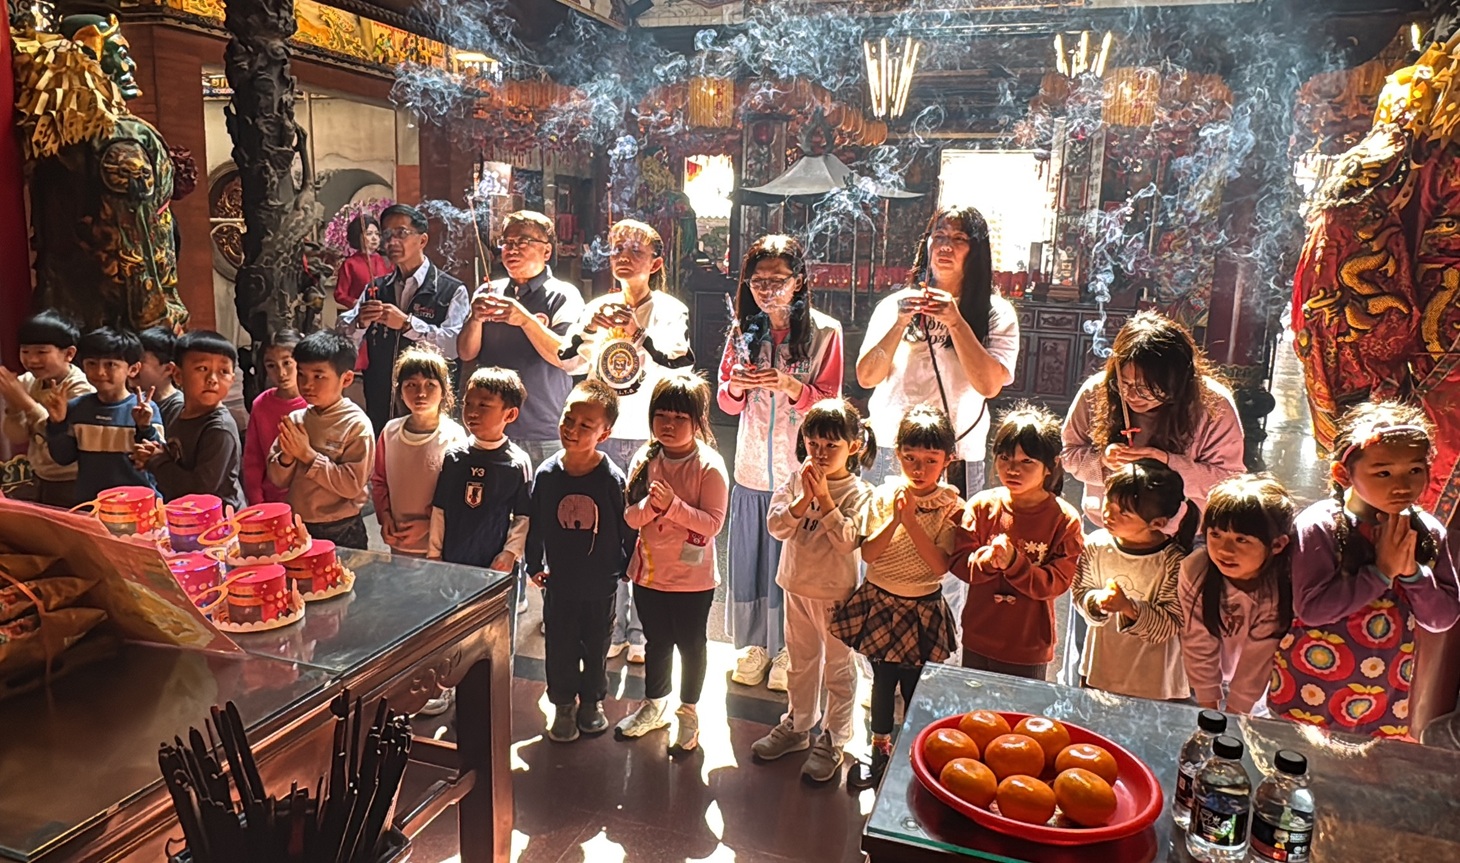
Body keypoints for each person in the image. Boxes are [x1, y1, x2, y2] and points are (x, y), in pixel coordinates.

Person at [855, 205, 1021, 654]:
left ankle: (936, 663)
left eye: (959, 239)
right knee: (880, 552)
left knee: (946, 561)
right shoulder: (895, 305)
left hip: (955, 456)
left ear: (976, 251)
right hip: (890, 450)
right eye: (939, 236)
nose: (946, 246)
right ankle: (878, 666)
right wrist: (900, 322)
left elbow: (989, 384)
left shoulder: (996, 314)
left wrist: (955, 321)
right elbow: (867, 376)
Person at [1059, 310, 1244, 685]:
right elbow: (1068, 455)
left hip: (1182, 538)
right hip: (1111, 537)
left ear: (1179, 379)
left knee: (1172, 647)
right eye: (1126, 383)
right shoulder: (1098, 392)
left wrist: (1168, 463)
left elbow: (1229, 480)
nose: (1134, 396)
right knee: (1096, 632)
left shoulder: (1212, 404)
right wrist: (1102, 461)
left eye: (1148, 388)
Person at [1269, 402, 1460, 739]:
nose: (1402, 485)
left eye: (1415, 470)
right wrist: (1381, 572)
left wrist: (1413, 574)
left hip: (1383, 696)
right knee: (1297, 762)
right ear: (1343, 474)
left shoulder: (1428, 533)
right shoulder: (1320, 526)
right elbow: (1312, 610)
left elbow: (1443, 618)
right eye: (1383, 473)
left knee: (1365, 769)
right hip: (1307, 688)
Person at [561, 219, 693, 663]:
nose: (623, 256)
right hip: (602, 436)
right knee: (604, 531)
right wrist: (588, 328)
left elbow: (679, 365)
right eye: (617, 248)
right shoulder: (596, 307)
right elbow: (568, 360)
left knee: (646, 532)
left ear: (655, 263)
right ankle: (610, 625)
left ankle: (640, 630)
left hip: (646, 435)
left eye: (636, 250)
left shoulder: (670, 310)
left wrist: (637, 332)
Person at [718, 234, 843, 692]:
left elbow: (830, 404)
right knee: (752, 560)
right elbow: (726, 403)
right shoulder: (742, 331)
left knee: (794, 561)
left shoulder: (825, 333)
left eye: (778, 280)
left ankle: (791, 646)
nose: (767, 290)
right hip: (752, 466)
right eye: (758, 281)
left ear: (799, 282)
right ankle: (754, 645)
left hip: (799, 470)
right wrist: (737, 385)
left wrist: (791, 387)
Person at [831, 405, 964, 791]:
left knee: (914, 684)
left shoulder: (951, 506)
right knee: (882, 681)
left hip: (921, 606)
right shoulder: (884, 495)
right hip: (881, 600)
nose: (919, 469)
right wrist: (896, 518)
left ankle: (913, 750)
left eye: (930, 460)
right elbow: (870, 554)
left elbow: (939, 565)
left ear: (948, 460)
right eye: (910, 458)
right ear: (897, 453)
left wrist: (911, 522)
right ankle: (879, 748)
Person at [752, 399, 875, 784]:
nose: (820, 453)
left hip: (837, 594)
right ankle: (799, 724)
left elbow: (847, 540)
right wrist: (804, 498)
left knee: (838, 668)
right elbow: (776, 527)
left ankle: (834, 738)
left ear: (854, 446)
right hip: (796, 585)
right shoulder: (795, 481)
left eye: (831, 445)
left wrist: (823, 498)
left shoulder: (859, 492)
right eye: (813, 443)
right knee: (801, 662)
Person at [616, 372, 729, 753]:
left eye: (680, 417)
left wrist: (672, 506)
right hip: (649, 573)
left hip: (693, 579)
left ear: (698, 421)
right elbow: (630, 516)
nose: (668, 424)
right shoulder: (645, 458)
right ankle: (654, 705)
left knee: (692, 645)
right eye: (661, 415)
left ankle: (689, 712)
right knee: (657, 641)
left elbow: (712, 524)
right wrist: (651, 507)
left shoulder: (709, 466)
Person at [526, 380, 636, 743]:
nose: (572, 429)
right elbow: (536, 524)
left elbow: (627, 527)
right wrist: (533, 563)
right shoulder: (546, 475)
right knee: (559, 645)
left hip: (601, 584)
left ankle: (591, 701)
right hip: (560, 582)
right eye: (568, 419)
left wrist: (628, 564)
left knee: (597, 644)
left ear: (604, 434)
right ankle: (562, 704)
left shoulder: (611, 479)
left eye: (585, 425)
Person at [425, 366, 532, 718]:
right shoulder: (455, 456)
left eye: (484, 405)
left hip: (494, 568)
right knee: (451, 629)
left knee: (496, 634)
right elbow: (441, 508)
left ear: (510, 414)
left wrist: (510, 554)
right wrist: (435, 555)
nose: (472, 411)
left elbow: (523, 516)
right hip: (454, 563)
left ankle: (492, 695)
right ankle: (445, 688)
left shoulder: (516, 463)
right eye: (468, 403)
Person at [952, 405, 1084, 680]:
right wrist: (988, 560)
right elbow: (959, 563)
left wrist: (1015, 564)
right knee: (975, 704)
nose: (1013, 469)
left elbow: (1057, 582)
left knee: (1022, 707)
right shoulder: (982, 506)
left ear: (1050, 466)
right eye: (1005, 458)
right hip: (979, 636)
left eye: (1027, 462)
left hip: (1028, 644)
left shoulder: (1064, 519)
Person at [458, 210, 585, 472]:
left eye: (523, 242)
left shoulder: (563, 295)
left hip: (542, 427)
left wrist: (526, 320)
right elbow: (466, 353)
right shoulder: (488, 291)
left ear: (547, 251)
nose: (512, 249)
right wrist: (475, 319)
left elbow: (565, 357)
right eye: (507, 242)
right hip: (492, 427)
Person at [1072, 458, 1200, 701]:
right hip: (1101, 668)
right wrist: (1095, 601)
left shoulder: (1173, 561)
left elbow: (1171, 623)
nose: (1109, 514)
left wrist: (1128, 608)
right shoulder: (1096, 545)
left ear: (1157, 523)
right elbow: (1080, 592)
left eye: (1124, 512)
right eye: (1108, 501)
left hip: (1154, 680)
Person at [339, 203, 471, 434]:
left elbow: (454, 347)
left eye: (401, 233)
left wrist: (408, 325)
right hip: (382, 398)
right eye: (387, 235)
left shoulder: (451, 290)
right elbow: (343, 341)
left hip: (428, 405)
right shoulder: (376, 288)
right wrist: (360, 322)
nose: (392, 242)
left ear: (422, 240)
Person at [1178, 474, 1296, 715]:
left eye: (1241, 539)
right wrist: (1209, 705)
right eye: (1216, 535)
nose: (1224, 550)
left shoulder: (1279, 587)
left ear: (1277, 545)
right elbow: (1198, 639)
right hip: (1199, 676)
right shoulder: (1196, 570)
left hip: (1258, 684)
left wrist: (1235, 713)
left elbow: (1258, 657)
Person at [266, 330, 374, 549]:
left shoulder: (355, 425)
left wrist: (307, 455)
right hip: (299, 523)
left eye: (318, 376)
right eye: (301, 374)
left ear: (346, 379)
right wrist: (287, 456)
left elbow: (351, 486)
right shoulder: (296, 419)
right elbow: (277, 480)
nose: (307, 384)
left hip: (340, 526)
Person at [44, 327, 164, 500]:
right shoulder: (77, 408)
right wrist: (57, 423)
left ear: (133, 369)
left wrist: (144, 427)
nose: (100, 372)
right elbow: (63, 458)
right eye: (91, 363)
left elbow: (156, 461)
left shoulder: (145, 409)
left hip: (138, 503)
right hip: (92, 503)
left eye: (111, 364)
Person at [131, 331, 245, 510]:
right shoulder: (179, 413)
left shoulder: (219, 429)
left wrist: (157, 461)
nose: (212, 380)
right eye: (202, 369)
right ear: (177, 375)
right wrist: (153, 452)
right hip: (185, 513)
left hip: (218, 519)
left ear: (232, 379)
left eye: (223, 372)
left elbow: (201, 490)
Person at [370, 345, 466, 557]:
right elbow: (379, 481)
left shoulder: (454, 437)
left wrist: (430, 524)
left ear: (444, 390)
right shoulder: (390, 432)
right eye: (411, 385)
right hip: (398, 541)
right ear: (400, 391)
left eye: (430, 385)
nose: (421, 393)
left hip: (438, 546)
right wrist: (385, 517)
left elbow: (458, 495)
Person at [0, 310, 92, 506]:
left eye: (41, 352)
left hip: (73, 480)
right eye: (25, 351)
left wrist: (24, 401)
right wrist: (14, 406)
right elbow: (18, 437)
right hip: (40, 476)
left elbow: (65, 441)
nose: (32, 360)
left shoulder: (81, 388)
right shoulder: (28, 381)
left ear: (69, 354)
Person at [243, 330, 307, 505]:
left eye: (287, 363)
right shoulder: (261, 404)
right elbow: (253, 459)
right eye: (271, 365)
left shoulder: (315, 402)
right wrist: (257, 501)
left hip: (311, 499)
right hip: (273, 499)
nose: (281, 373)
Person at [333, 213, 389, 311]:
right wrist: (356, 303)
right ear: (358, 236)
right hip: (361, 313)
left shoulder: (386, 261)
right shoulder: (350, 264)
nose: (374, 238)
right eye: (369, 234)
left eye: (377, 234)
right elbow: (340, 294)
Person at [135, 327, 183, 430]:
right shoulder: (136, 399)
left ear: (168, 369)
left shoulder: (178, 407)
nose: (134, 367)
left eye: (141, 361)